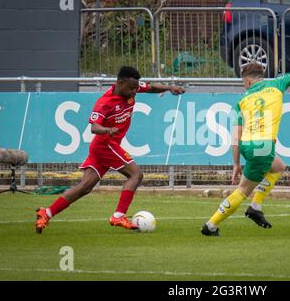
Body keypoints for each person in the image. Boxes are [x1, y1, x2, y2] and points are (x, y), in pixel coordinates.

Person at [35, 66, 185, 234]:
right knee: (136, 174)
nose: (135, 91)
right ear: (120, 83)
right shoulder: (104, 102)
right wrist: (107, 130)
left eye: (136, 87)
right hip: (105, 143)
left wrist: (169, 87)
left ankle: (46, 212)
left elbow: (149, 87)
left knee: (85, 187)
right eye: (131, 88)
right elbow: (94, 127)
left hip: (105, 145)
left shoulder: (132, 86)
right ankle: (119, 215)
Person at [201, 63, 290, 236]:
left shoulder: (241, 102)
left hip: (248, 146)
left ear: (248, 81)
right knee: (242, 190)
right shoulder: (277, 84)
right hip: (262, 147)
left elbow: (235, 138)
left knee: (278, 167)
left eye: (243, 82)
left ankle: (255, 207)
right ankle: (210, 225)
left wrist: (236, 163)